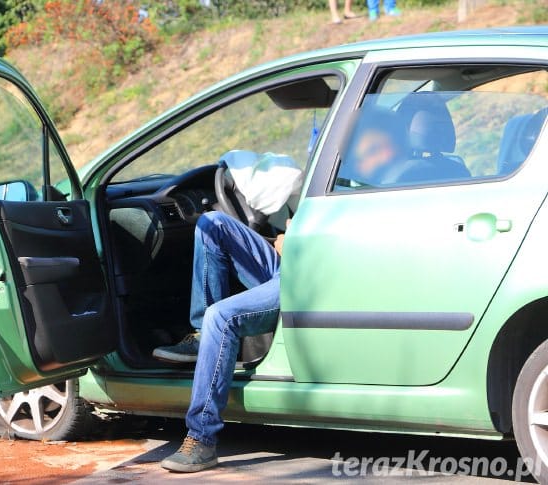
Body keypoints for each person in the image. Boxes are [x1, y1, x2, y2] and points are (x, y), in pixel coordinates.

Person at [155, 112, 407, 473]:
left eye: (371, 146)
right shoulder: (357, 178)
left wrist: (299, 244)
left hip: (310, 281)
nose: (359, 153)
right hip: (297, 264)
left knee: (221, 317)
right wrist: (289, 239)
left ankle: (202, 438)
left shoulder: (389, 187)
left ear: (393, 146)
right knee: (213, 224)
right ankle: (199, 337)